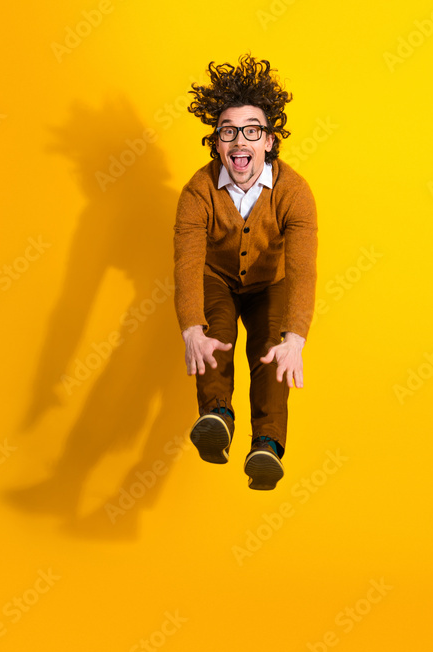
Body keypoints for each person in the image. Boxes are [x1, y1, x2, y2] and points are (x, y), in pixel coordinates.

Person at [173, 53, 318, 490]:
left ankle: (267, 447)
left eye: (251, 131)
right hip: (215, 279)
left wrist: (296, 340)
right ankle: (216, 418)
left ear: (269, 141)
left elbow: (303, 269)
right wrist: (190, 330)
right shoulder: (197, 191)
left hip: (269, 285)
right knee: (213, 332)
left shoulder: (295, 192)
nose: (240, 141)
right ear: (216, 142)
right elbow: (185, 264)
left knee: (273, 351)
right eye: (229, 131)